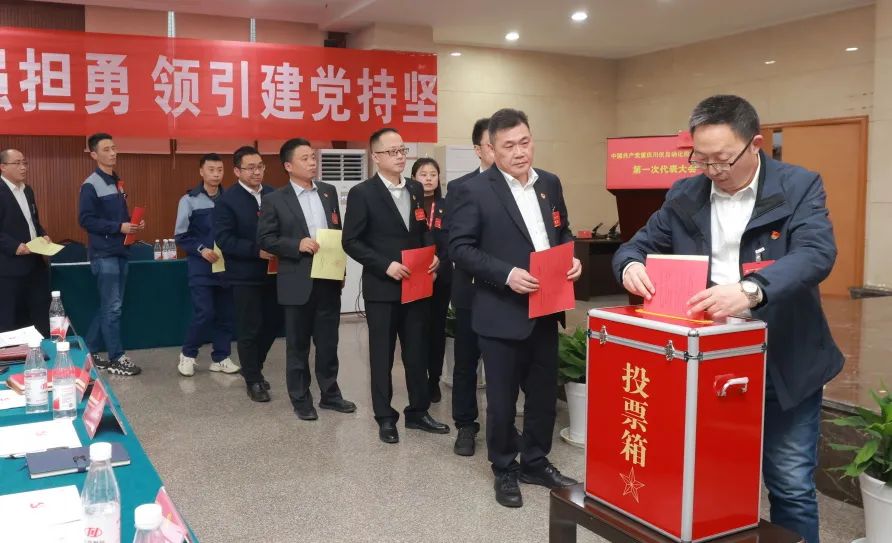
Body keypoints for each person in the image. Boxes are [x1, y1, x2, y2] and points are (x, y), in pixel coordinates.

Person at [613, 95, 844, 543]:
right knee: (706, 478)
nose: (712, 170)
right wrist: (630, 266)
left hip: (784, 359)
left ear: (755, 144)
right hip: (709, 364)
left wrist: (752, 290)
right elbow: (635, 245)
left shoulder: (798, 186)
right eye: (701, 158)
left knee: (790, 484)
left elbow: (816, 253)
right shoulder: (685, 193)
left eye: (722, 158)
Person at [449, 109, 582, 508]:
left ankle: (535, 462)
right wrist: (506, 274)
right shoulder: (475, 190)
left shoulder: (549, 183)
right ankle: (505, 467)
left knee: (542, 395)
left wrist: (571, 256)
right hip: (501, 309)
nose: (520, 152)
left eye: (525, 142)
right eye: (509, 146)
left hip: (547, 306)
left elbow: (561, 229)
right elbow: (460, 248)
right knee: (503, 401)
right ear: (491, 149)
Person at [342, 127, 449, 444]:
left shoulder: (415, 188)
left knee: (416, 353)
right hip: (382, 288)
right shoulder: (363, 193)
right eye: (393, 152)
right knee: (382, 356)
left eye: (402, 150)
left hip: (416, 285)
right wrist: (384, 265)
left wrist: (432, 255)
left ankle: (418, 412)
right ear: (376, 156)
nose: (400, 156)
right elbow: (351, 241)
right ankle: (385, 417)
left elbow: (422, 228)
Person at [257, 138, 356, 421]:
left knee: (328, 342)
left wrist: (341, 270)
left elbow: (336, 232)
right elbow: (265, 239)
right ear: (288, 166)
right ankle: (300, 399)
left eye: (313, 157)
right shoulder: (275, 199)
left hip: (328, 277)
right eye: (305, 158)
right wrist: (295, 244)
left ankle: (330, 394)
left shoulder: (328, 191)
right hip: (296, 280)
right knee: (298, 345)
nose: (312, 162)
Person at [213, 146, 283, 403]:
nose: (257, 172)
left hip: (275, 273)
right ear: (237, 171)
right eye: (250, 168)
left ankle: (254, 367)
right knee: (249, 328)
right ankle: (253, 380)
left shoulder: (274, 194)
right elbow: (224, 239)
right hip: (245, 275)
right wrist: (256, 251)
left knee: (273, 324)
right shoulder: (227, 201)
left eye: (260, 166)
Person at [443, 117, 493, 456]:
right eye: (492, 144)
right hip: (471, 291)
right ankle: (465, 424)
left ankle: (503, 425)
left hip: (511, 293)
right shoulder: (460, 188)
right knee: (466, 362)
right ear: (478, 149)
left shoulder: (524, 185)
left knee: (505, 364)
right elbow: (453, 242)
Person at [78, 133, 143, 376]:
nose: (113, 153)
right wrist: (119, 227)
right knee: (112, 307)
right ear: (94, 155)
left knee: (110, 306)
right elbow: (85, 220)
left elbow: (118, 218)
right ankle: (116, 358)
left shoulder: (116, 181)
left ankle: (90, 352)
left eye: (114, 148)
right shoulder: (90, 184)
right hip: (104, 253)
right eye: (106, 149)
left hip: (120, 251)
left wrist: (132, 225)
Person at [174, 153, 239, 377]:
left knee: (226, 315)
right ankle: (188, 354)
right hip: (201, 267)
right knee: (205, 312)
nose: (216, 174)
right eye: (211, 170)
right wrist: (202, 250)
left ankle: (221, 357)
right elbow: (181, 236)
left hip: (226, 267)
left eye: (220, 170)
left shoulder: (230, 199)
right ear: (201, 171)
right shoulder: (189, 200)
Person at [0, 148, 51, 337]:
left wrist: (43, 235)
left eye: (24, 163)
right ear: (3, 167)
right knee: (10, 320)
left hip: (34, 263)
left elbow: (33, 221)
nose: (23, 167)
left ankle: (43, 350)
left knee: (39, 314)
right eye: (17, 163)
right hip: (9, 268)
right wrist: (14, 246)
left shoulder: (27, 190)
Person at [411, 157, 449, 404]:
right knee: (416, 331)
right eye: (423, 174)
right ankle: (417, 379)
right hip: (413, 276)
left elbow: (454, 242)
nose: (428, 178)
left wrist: (440, 266)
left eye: (433, 174)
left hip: (441, 277)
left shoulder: (447, 206)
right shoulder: (407, 204)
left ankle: (433, 380)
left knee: (436, 331)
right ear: (413, 178)